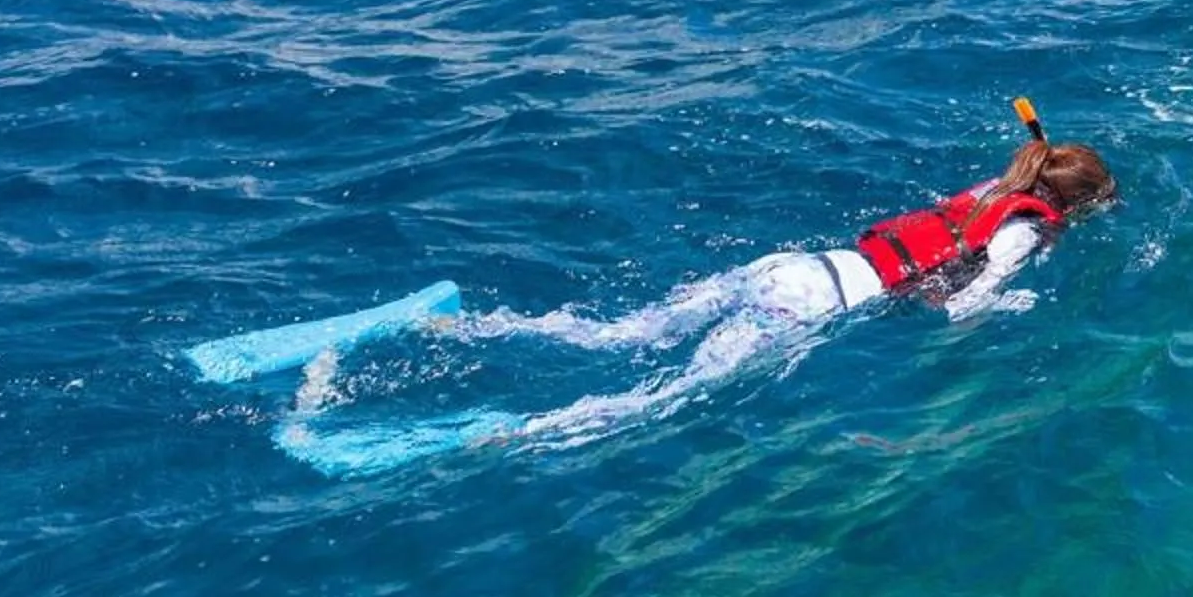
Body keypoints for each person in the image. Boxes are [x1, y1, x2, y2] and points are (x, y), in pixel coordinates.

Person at [276, 106, 1115, 464]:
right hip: (812, 305)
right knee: (655, 397)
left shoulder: (993, 189)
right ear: (1066, 208)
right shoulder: (1023, 227)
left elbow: (970, 217)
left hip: (790, 266)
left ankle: (448, 327)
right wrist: (996, 315)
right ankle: (503, 434)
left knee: (615, 337)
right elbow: (965, 307)